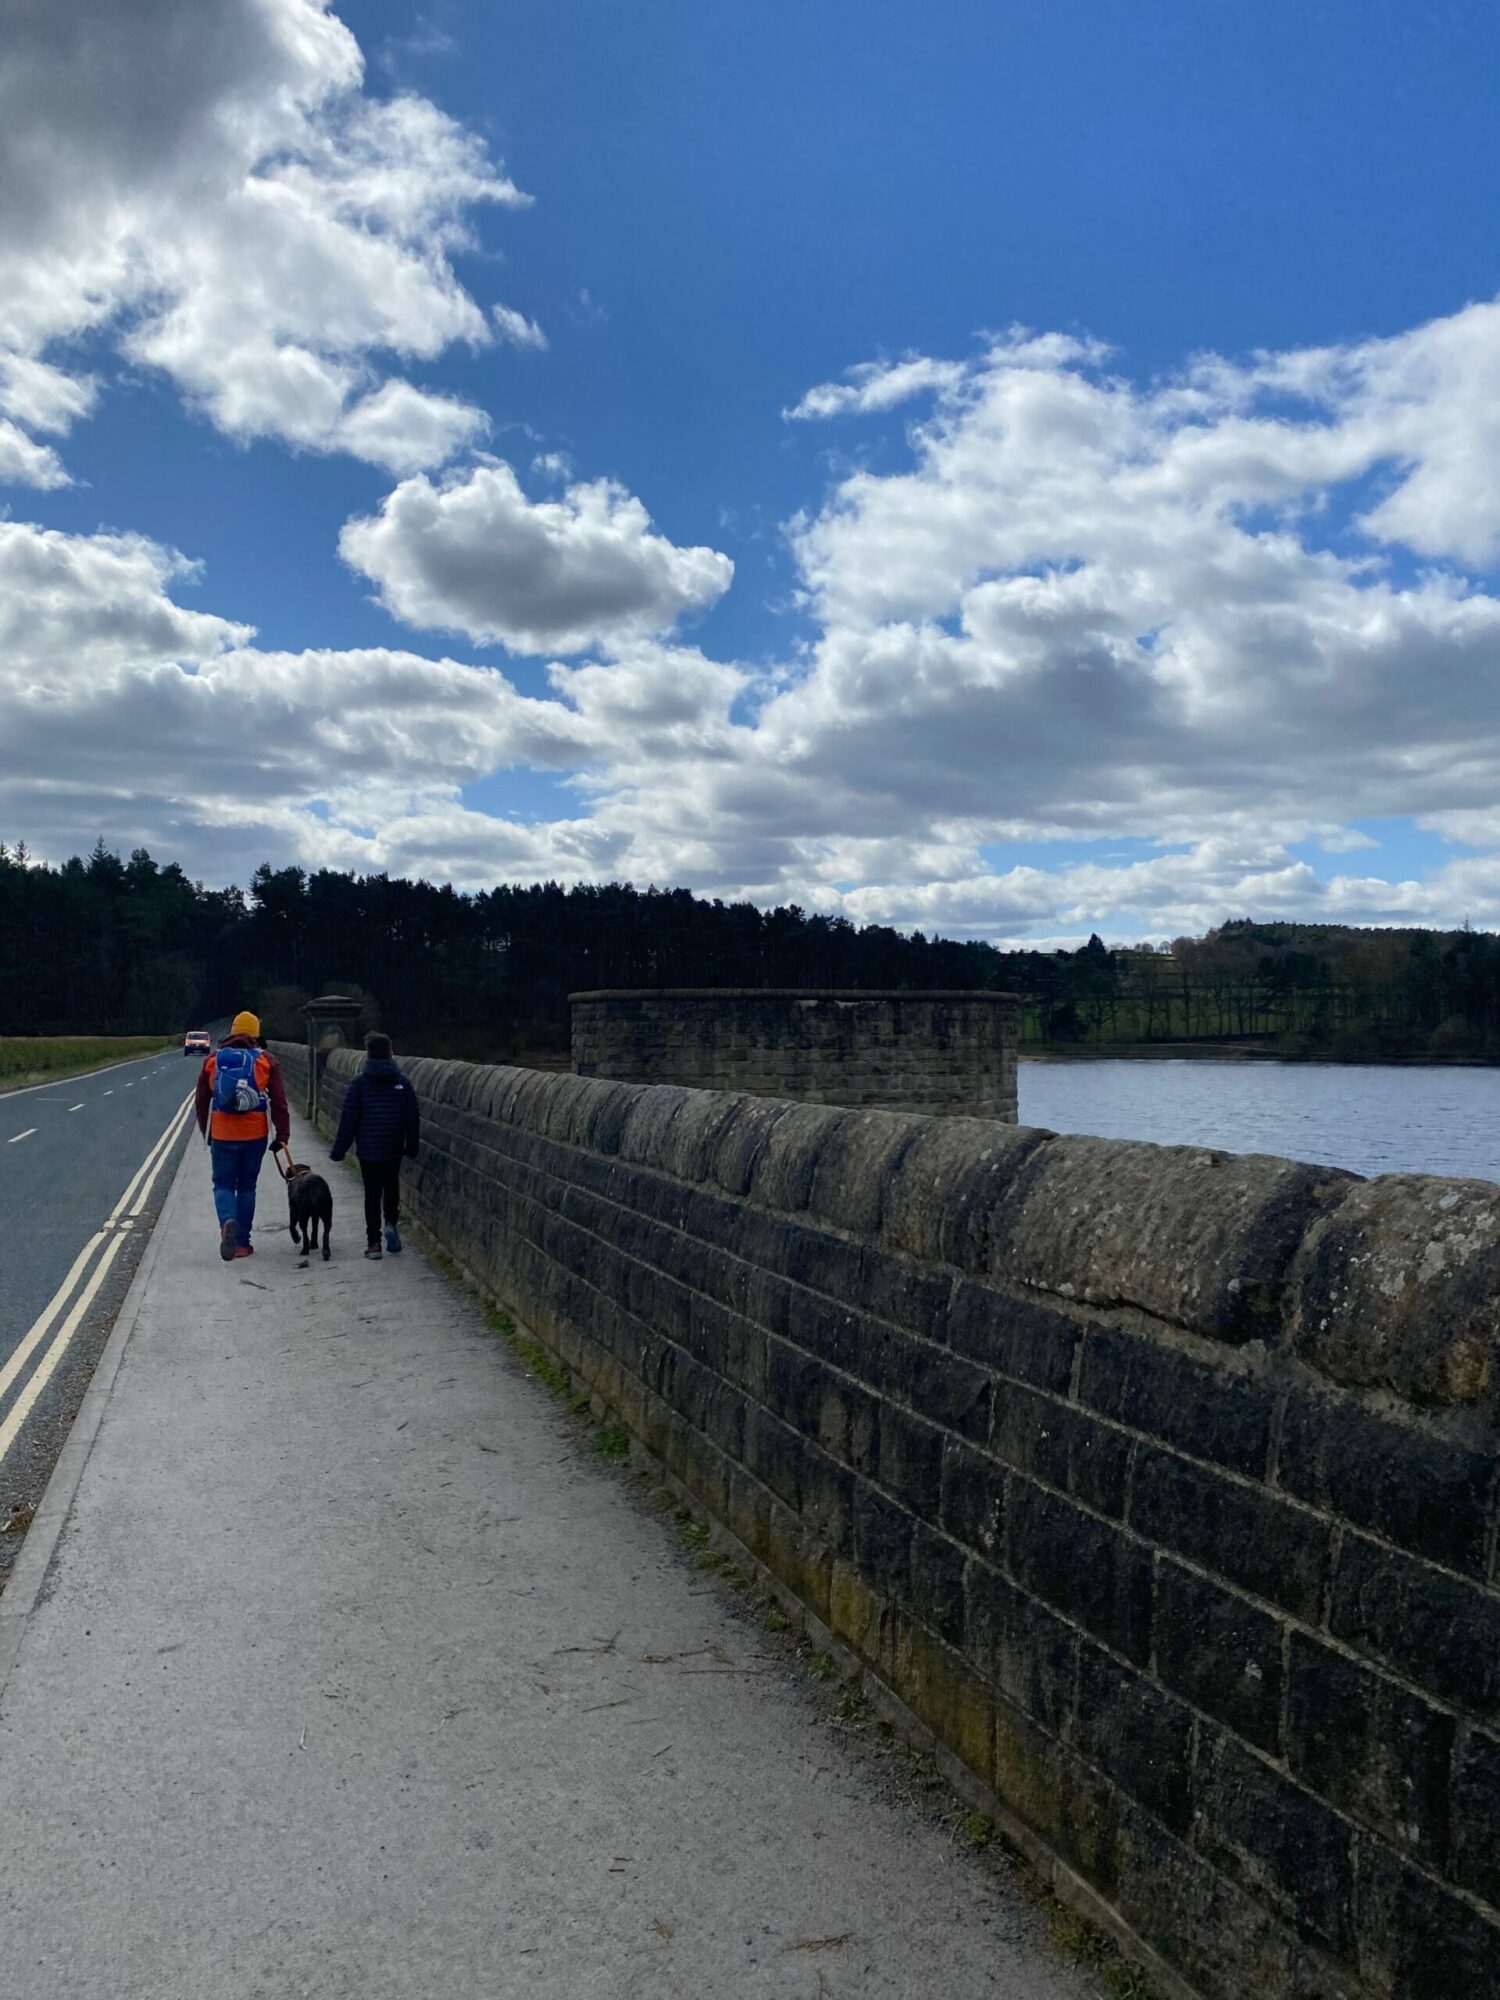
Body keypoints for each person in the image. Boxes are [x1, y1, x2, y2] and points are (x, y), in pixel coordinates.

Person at [195, 1010, 290, 1261]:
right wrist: (283, 1135)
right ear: (257, 1034)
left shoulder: (214, 1060)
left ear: (232, 1032)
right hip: (254, 1133)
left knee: (223, 1184)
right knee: (247, 1187)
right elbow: (279, 1101)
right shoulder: (265, 1060)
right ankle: (242, 1244)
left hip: (223, 1133)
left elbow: (202, 1100)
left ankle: (228, 1221)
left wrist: (208, 1131)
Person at [329, 1032, 420, 1259]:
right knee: (391, 1187)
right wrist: (412, 1145)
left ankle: (374, 1244)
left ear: (368, 1055)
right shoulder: (403, 1083)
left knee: (372, 1194)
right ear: (390, 1053)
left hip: (368, 1150)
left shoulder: (359, 1083)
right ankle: (390, 1223)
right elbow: (412, 1118)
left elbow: (349, 1119)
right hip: (393, 1147)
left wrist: (339, 1150)